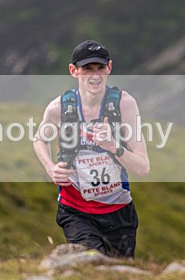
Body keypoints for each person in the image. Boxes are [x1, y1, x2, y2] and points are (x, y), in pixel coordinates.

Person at [33, 40, 149, 257]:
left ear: (110, 68)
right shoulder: (59, 107)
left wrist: (114, 147)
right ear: (73, 71)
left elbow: (143, 167)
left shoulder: (124, 104)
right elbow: (40, 139)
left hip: (119, 211)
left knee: (119, 274)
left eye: (100, 68)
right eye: (87, 69)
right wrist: (50, 169)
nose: (95, 75)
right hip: (75, 211)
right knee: (90, 261)